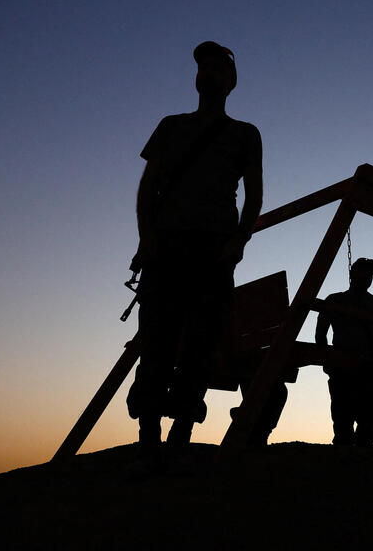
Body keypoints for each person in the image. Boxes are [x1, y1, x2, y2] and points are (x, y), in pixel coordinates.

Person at [127, 41, 263, 475]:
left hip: (213, 253)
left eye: (217, 67)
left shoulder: (245, 134)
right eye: (203, 67)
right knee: (157, 344)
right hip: (166, 248)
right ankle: (148, 444)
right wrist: (146, 238)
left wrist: (239, 241)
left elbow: (255, 197)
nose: (208, 72)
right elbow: (148, 188)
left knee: (200, 348)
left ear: (231, 82)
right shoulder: (171, 126)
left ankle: (180, 437)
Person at [315, 258, 373, 448]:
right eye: (364, 272)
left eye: (371, 274)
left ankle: (362, 460)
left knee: (368, 421)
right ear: (352, 274)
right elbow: (320, 332)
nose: (368, 277)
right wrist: (327, 358)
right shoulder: (335, 299)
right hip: (343, 366)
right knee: (343, 419)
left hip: (372, 367)